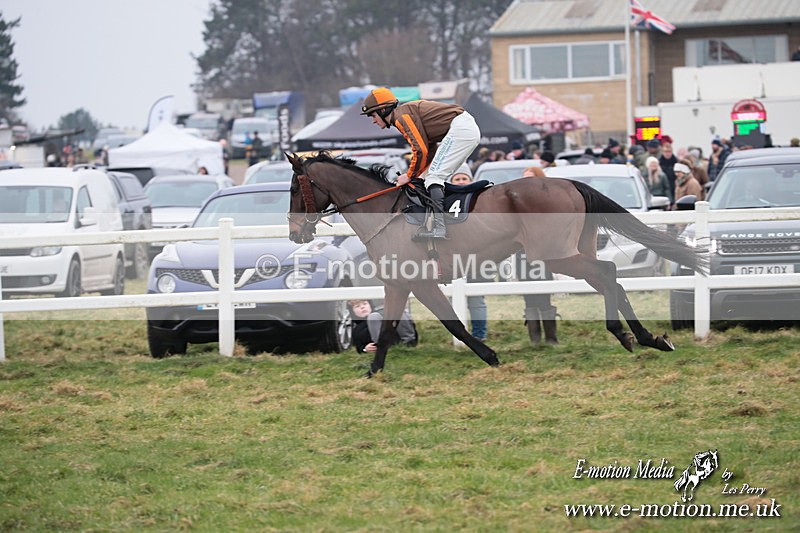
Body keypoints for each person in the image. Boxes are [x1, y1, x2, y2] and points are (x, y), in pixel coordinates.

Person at [361, 87, 480, 240]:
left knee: (433, 177)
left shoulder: (401, 117)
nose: (373, 121)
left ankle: (439, 228)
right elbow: (429, 149)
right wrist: (415, 175)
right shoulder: (403, 115)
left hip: (461, 129)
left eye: (373, 115)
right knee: (429, 177)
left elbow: (420, 150)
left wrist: (408, 175)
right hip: (464, 128)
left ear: (383, 110)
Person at [519, 157, 558, 345]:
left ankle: (551, 338)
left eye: (531, 178)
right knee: (528, 297)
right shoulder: (516, 202)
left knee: (544, 296)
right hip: (523, 254)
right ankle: (534, 339)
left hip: (544, 253)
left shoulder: (548, 201)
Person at [450, 164, 488, 340]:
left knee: (476, 299)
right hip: (452, 257)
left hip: (476, 257)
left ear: (470, 180)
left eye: (464, 179)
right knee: (454, 299)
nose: (460, 182)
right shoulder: (444, 201)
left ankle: (479, 334)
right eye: (457, 179)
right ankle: (460, 336)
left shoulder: (479, 201)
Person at [349, 299, 418, 353]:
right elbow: (359, 347)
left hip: (401, 340)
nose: (362, 307)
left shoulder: (381, 315)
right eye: (357, 306)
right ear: (352, 312)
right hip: (382, 347)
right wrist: (365, 349)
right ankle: (382, 347)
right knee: (373, 317)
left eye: (365, 303)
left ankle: (409, 342)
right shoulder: (357, 330)